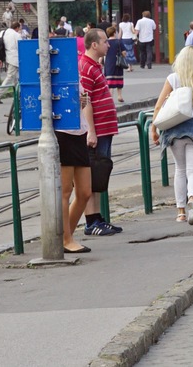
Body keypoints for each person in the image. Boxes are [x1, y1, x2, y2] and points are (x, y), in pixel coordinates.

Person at [150, 46, 193, 225]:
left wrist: (154, 129)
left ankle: (180, 212)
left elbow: (158, 105)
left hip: (175, 128)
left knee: (180, 169)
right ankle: (192, 199)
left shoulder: (173, 78)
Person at [80, 28, 123, 235]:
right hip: (96, 130)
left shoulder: (95, 65)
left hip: (104, 129)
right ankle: (90, 222)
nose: (108, 44)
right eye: (105, 41)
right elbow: (84, 101)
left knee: (99, 174)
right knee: (92, 174)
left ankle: (97, 217)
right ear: (94, 44)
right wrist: (91, 131)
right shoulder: (86, 67)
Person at [58, 89, 94, 254]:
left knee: (85, 192)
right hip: (62, 132)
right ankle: (66, 240)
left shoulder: (73, 69)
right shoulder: (51, 68)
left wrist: (82, 99)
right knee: (65, 190)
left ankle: (65, 237)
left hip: (79, 130)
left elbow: (82, 99)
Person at [0, 21, 22, 133]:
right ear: (17, 28)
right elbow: (22, 46)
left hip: (7, 58)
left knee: (15, 79)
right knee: (11, 76)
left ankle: (16, 94)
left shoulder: (4, 32)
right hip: (14, 59)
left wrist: (0, 59)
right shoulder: (16, 35)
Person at [104, 25, 126, 103]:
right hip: (118, 63)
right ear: (114, 33)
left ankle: (110, 96)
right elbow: (124, 53)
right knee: (119, 79)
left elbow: (103, 53)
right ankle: (119, 96)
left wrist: (100, 61)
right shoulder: (119, 42)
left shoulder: (106, 42)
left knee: (110, 80)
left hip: (109, 62)